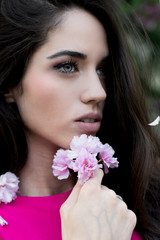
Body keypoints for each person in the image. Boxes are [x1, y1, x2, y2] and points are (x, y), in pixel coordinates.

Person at [0, 0, 159, 239]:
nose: (98, 92)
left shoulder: (142, 204)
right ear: (10, 83)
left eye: (102, 69)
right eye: (67, 66)